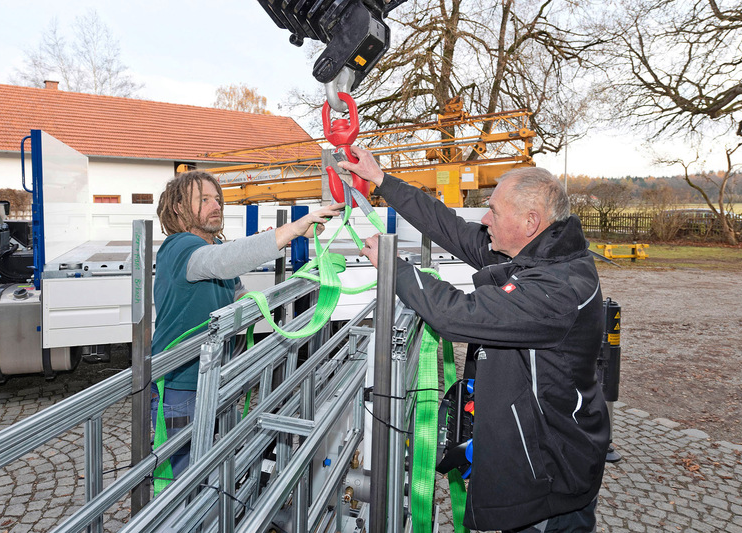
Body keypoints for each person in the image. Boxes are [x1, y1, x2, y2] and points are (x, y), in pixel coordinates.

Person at [339, 148, 610, 533]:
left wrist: (395, 268)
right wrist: (383, 181)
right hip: (534, 457)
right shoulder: (535, 255)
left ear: (530, 221)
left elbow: (457, 314)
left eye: (494, 212)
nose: (484, 219)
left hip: (549, 481)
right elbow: (451, 228)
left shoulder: (557, 289)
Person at [152, 170, 343, 477]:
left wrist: (280, 290)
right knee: (184, 477)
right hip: (181, 384)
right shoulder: (179, 246)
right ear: (178, 207)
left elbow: (237, 291)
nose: (216, 205)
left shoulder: (211, 249)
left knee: (207, 464)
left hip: (213, 376)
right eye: (203, 200)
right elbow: (221, 261)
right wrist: (290, 230)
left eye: (217, 199)